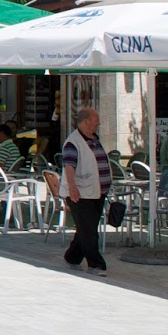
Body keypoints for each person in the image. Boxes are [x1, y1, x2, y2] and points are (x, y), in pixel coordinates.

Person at [61, 106, 111, 276]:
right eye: (96, 121)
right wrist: (72, 187)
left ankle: (72, 257)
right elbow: (69, 166)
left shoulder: (94, 139)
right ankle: (96, 264)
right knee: (89, 230)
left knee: (86, 227)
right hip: (81, 193)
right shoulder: (73, 142)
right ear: (86, 122)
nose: (98, 124)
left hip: (97, 192)